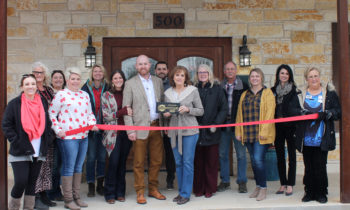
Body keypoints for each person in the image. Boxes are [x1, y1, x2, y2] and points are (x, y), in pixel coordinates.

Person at [49, 67, 98, 210]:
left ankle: (77, 197)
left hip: (83, 136)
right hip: (68, 138)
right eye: (73, 79)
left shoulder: (84, 95)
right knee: (69, 167)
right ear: (68, 80)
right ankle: (68, 199)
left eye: (78, 79)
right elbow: (51, 114)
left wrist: (92, 123)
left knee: (78, 166)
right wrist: (58, 130)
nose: (75, 81)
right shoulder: (61, 95)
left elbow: (90, 114)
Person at [2, 74, 53, 210]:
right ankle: (13, 208)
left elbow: (47, 124)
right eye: (27, 84)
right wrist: (16, 141)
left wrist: (48, 140)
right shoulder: (14, 104)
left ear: (36, 86)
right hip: (20, 150)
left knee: (31, 184)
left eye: (33, 84)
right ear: (22, 87)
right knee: (20, 182)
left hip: (38, 150)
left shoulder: (42, 102)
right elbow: (6, 125)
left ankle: (28, 208)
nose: (30, 86)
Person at [123, 55, 166, 204]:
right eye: (140, 64)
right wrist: (130, 130)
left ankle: (153, 189)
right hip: (139, 127)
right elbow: (126, 109)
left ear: (149, 65)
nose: (142, 66)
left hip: (156, 126)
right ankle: (140, 191)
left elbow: (162, 104)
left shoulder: (158, 81)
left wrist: (165, 125)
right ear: (136, 66)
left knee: (156, 161)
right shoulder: (129, 84)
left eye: (145, 64)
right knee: (139, 162)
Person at [295, 67, 341, 203]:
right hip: (306, 138)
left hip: (322, 138)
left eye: (316, 76)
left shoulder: (329, 93)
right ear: (306, 79)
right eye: (310, 76)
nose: (314, 79)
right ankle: (309, 192)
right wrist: (301, 113)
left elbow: (338, 111)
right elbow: (295, 111)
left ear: (320, 77)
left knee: (320, 166)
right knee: (308, 167)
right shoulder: (301, 94)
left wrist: (328, 113)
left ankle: (321, 193)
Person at [163, 66, 204, 205]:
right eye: (177, 75)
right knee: (178, 163)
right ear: (173, 77)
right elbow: (165, 112)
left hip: (190, 131)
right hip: (174, 131)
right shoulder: (167, 93)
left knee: (187, 162)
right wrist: (166, 114)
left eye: (182, 75)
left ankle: (186, 193)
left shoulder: (193, 91)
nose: (179, 77)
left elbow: (200, 111)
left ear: (186, 77)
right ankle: (181, 192)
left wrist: (188, 109)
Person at [235, 68, 276, 201]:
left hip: (261, 134)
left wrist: (264, 132)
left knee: (258, 160)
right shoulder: (244, 94)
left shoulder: (267, 93)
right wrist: (238, 131)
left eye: (257, 76)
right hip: (248, 133)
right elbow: (239, 114)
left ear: (261, 78)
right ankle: (258, 186)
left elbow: (270, 114)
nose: (254, 78)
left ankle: (263, 188)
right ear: (250, 79)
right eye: (252, 76)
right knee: (253, 161)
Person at [193, 64, 228, 198]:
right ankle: (198, 188)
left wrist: (216, 124)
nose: (202, 74)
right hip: (195, 131)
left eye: (205, 72)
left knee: (211, 162)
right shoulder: (193, 89)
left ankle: (209, 188)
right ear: (197, 74)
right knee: (198, 162)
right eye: (200, 72)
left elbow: (223, 109)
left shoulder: (218, 89)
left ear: (209, 74)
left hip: (212, 131)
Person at [102, 70, 133, 204]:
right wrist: (122, 112)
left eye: (120, 77)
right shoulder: (107, 95)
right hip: (113, 134)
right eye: (115, 78)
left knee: (122, 163)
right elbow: (106, 116)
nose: (118, 80)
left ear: (123, 79)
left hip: (127, 133)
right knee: (113, 163)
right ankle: (109, 193)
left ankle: (120, 192)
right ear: (112, 80)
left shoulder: (128, 93)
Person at [218, 61, 249, 193]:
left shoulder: (244, 86)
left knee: (241, 155)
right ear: (224, 72)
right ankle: (225, 181)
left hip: (238, 126)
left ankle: (242, 181)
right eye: (227, 69)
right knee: (222, 154)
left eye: (232, 69)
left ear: (236, 71)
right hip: (224, 126)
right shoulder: (219, 86)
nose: (230, 71)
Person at [271, 64, 300, 196]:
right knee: (280, 156)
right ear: (278, 75)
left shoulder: (294, 91)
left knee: (292, 157)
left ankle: (290, 184)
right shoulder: (272, 91)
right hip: (277, 128)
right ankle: (283, 183)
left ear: (290, 76)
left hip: (291, 127)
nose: (284, 75)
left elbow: (297, 109)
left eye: (286, 74)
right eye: (282, 73)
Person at [32, 61, 57, 208]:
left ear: (45, 74)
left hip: (49, 133)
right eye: (35, 72)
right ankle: (34, 196)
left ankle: (43, 194)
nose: (38, 75)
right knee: (37, 166)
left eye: (40, 72)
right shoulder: (31, 89)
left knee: (48, 164)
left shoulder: (49, 90)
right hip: (36, 133)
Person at [81, 64, 109, 197]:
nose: (98, 73)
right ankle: (91, 185)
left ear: (103, 74)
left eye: (100, 71)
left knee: (102, 157)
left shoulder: (108, 87)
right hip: (91, 129)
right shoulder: (85, 88)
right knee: (91, 157)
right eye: (95, 71)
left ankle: (100, 185)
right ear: (92, 73)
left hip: (105, 128)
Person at [154, 61, 176, 190]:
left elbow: (174, 106)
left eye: (164, 69)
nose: (161, 71)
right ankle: (153, 181)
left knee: (170, 154)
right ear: (155, 71)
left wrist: (168, 124)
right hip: (154, 124)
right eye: (159, 69)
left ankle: (170, 179)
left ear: (168, 71)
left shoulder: (172, 85)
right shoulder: (151, 84)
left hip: (169, 125)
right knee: (154, 155)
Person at [47, 69, 66, 202]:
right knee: (52, 165)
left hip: (64, 134)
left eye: (60, 77)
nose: (58, 80)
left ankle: (57, 189)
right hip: (50, 134)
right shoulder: (48, 94)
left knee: (60, 164)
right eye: (55, 78)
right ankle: (50, 191)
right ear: (51, 80)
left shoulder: (67, 94)